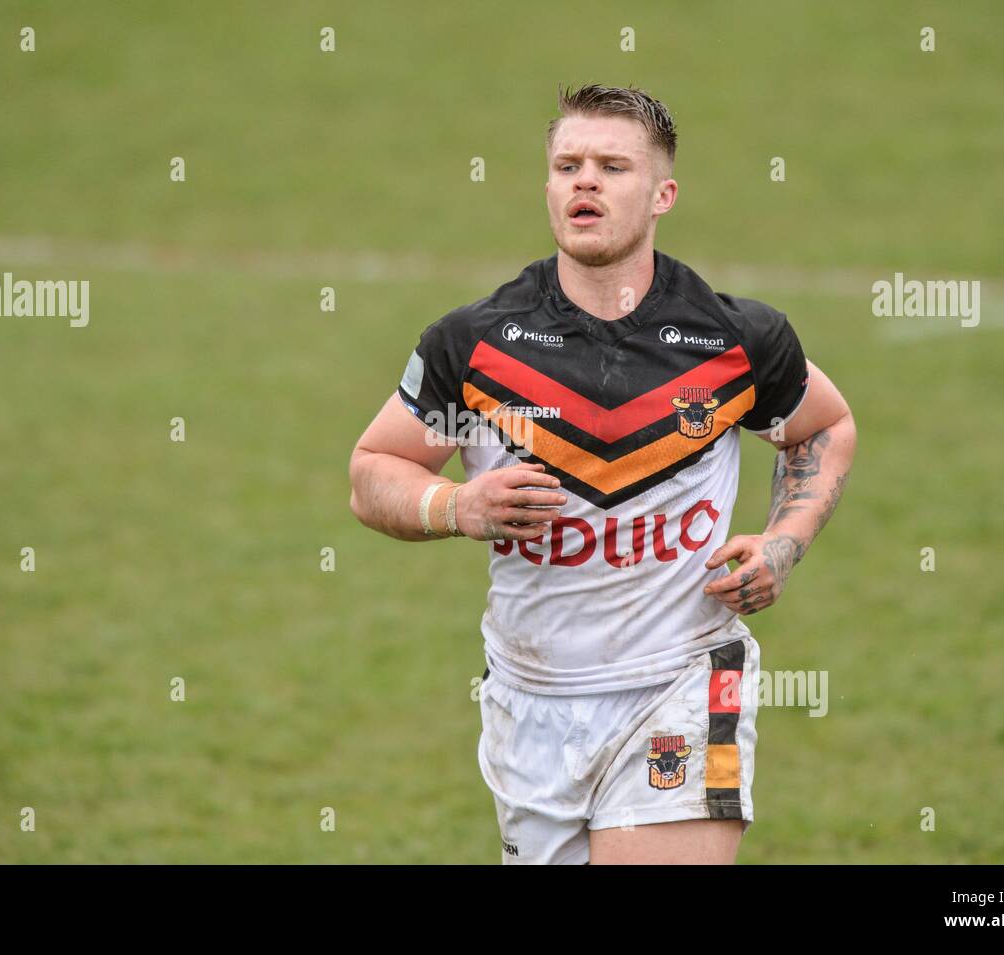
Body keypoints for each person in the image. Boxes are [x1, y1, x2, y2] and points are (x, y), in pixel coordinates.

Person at [349, 84, 856, 864]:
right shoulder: (477, 345)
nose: (585, 180)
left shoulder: (734, 338)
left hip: (683, 678)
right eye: (567, 164)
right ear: (548, 187)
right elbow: (372, 471)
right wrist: (456, 503)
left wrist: (783, 543)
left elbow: (821, 426)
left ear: (663, 194)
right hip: (531, 699)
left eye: (613, 166)